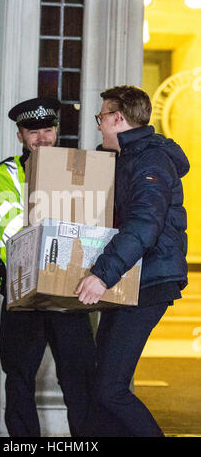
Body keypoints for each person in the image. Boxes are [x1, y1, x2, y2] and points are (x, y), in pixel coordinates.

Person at [76, 85, 190, 437]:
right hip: (133, 281)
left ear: (118, 118)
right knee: (102, 387)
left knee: (110, 388)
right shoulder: (129, 157)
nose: (98, 126)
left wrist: (101, 275)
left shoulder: (149, 161)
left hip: (148, 282)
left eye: (101, 118)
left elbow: (145, 223)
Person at [0, 97, 97, 437]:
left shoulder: (80, 169)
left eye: (47, 130)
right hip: (23, 292)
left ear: (56, 132)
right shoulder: (7, 173)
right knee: (19, 376)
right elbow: (11, 230)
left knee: (79, 379)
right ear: (20, 136)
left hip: (70, 289)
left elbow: (93, 222)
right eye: (32, 132)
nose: (41, 139)